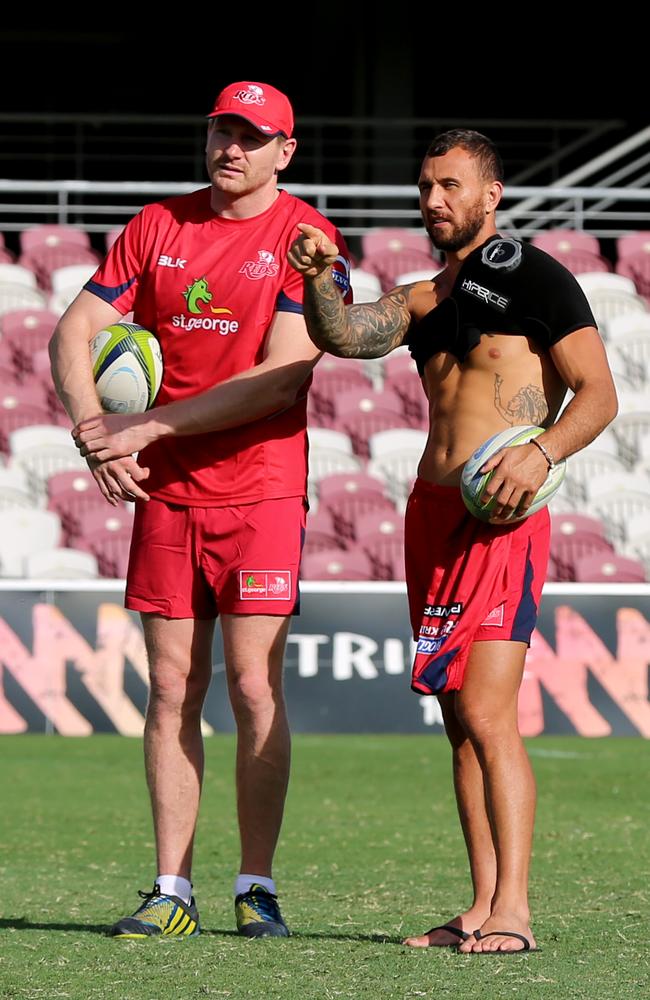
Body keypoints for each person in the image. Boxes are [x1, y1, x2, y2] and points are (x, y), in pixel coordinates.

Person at [287, 129, 618, 954]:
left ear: (490, 194)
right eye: (426, 186)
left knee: (487, 711)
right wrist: (320, 273)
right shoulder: (428, 298)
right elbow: (345, 334)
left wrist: (541, 450)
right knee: (455, 720)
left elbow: (599, 395)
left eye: (450, 185)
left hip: (502, 522)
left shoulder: (538, 276)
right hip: (429, 519)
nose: (434, 200)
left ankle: (517, 912)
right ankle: (479, 906)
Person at [49, 80, 351, 940]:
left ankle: (256, 886)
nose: (232, 148)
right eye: (223, 131)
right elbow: (72, 333)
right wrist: (92, 430)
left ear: (285, 152)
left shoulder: (308, 237)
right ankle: (170, 891)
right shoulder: (155, 224)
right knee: (172, 689)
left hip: (260, 488)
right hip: (166, 495)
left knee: (255, 686)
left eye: (253, 137)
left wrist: (146, 424)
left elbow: (284, 374)